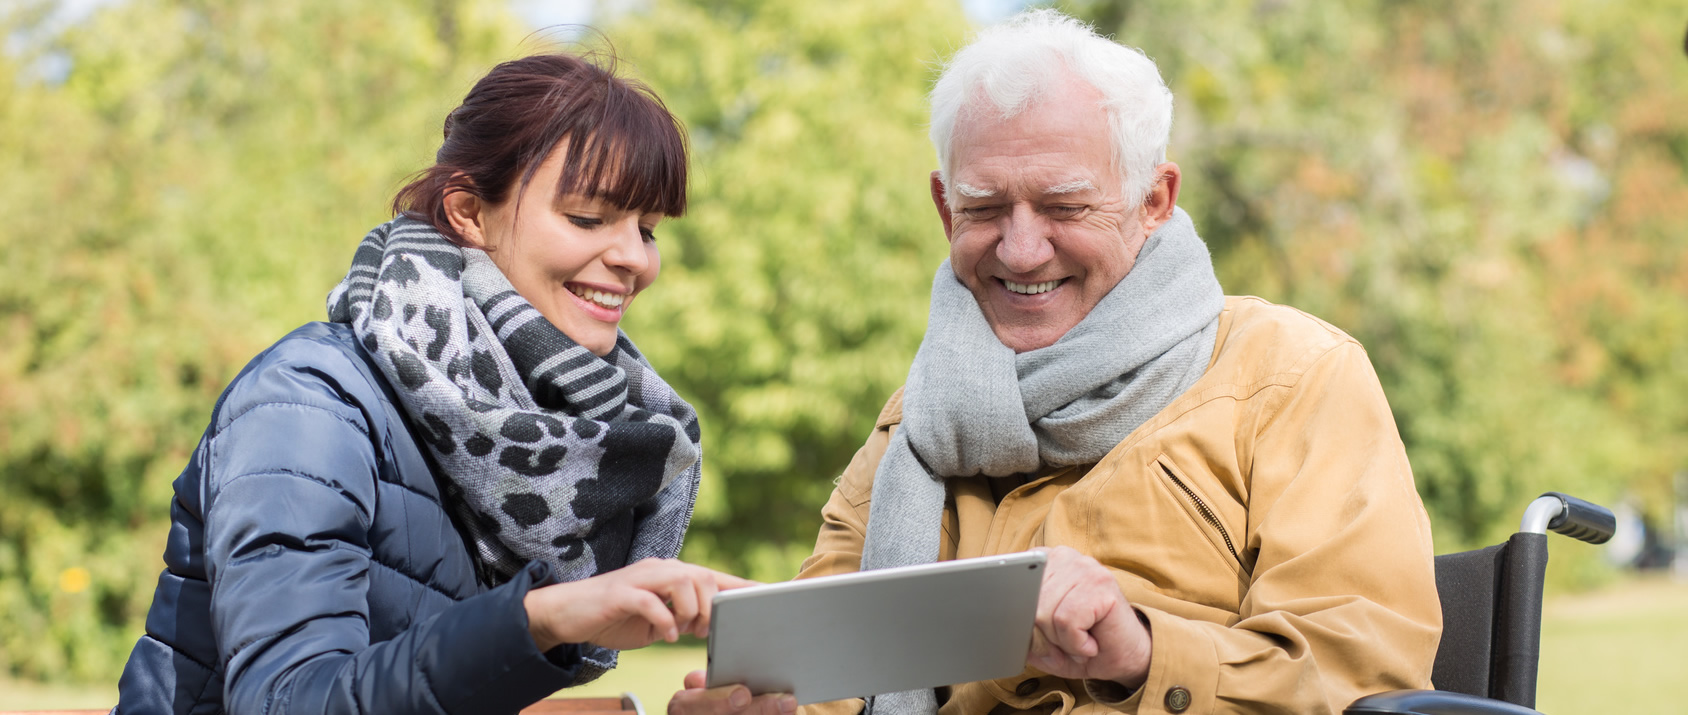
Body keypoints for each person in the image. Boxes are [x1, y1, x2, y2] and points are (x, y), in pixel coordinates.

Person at [670, 10, 1440, 715]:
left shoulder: (1294, 374)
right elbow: (822, 676)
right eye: (983, 209)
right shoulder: (916, 419)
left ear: (1155, 199)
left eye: (1064, 207)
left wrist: (1138, 648)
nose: (1021, 248)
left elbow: (1364, 676)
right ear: (945, 208)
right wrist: (763, 705)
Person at [115, 51, 752, 715]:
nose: (633, 259)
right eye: (589, 218)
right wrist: (538, 619)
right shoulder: (307, 405)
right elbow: (288, 700)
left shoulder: (548, 436)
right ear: (469, 211)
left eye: (646, 230)